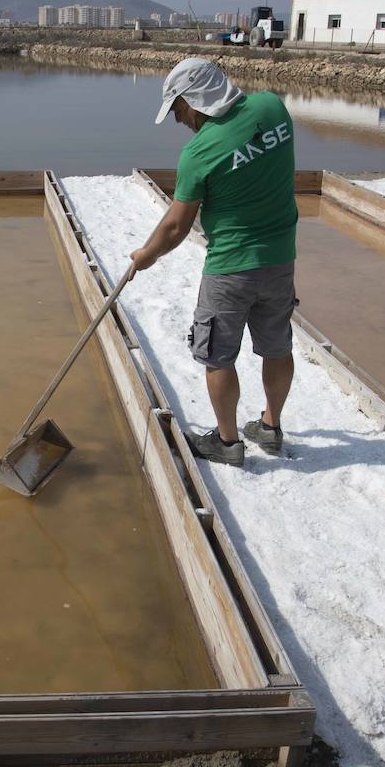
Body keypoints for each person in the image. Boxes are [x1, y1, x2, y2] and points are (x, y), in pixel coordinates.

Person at [129, 57, 298, 467]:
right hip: (280, 259)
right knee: (276, 346)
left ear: (196, 99)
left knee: (218, 356)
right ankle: (270, 429)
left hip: (230, 266)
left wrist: (145, 256)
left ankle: (226, 443)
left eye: (178, 108)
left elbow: (175, 228)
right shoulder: (273, 108)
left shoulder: (199, 153)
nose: (178, 119)